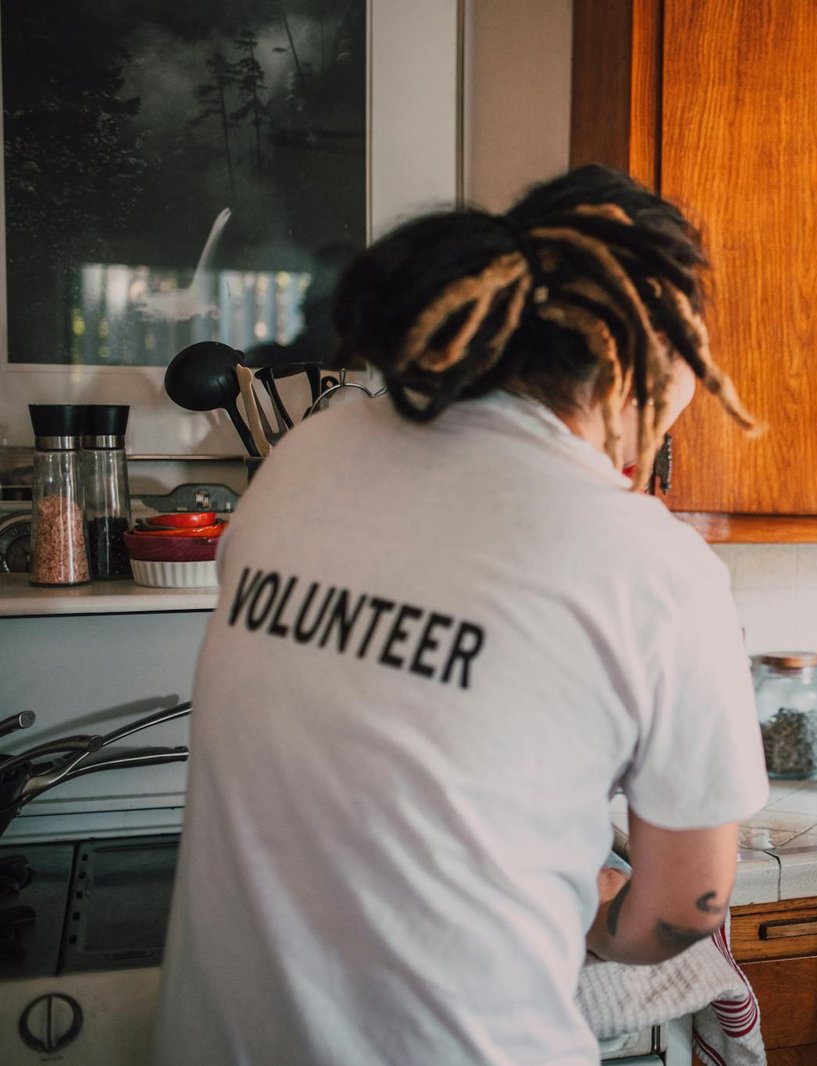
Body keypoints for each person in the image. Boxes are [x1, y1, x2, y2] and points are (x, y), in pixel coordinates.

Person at [153, 165, 770, 1065]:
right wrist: (591, 921)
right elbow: (686, 906)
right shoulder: (651, 566)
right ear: (659, 355)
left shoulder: (310, 454)